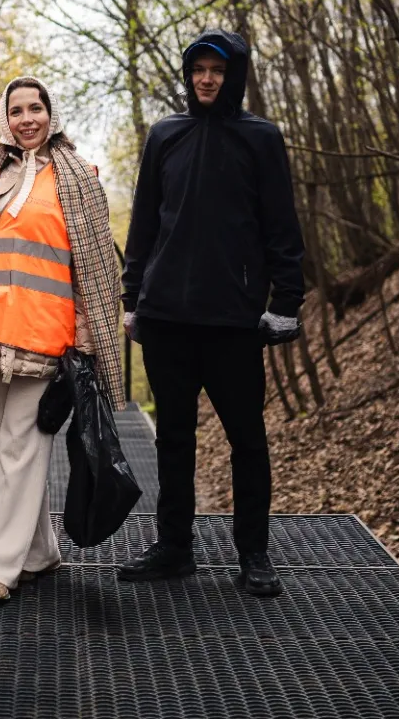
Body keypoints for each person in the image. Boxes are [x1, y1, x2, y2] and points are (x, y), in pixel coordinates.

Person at [118, 30, 305, 597]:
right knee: (172, 440)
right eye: (197, 69)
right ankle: (174, 548)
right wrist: (133, 299)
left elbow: (281, 227)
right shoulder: (165, 136)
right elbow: (145, 223)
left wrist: (285, 304)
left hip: (233, 323)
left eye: (217, 71)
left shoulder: (261, 138)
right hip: (168, 319)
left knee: (247, 440)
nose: (206, 79)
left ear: (234, 76)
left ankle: (254, 555)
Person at [0, 77, 124, 605]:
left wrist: (88, 341)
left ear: (52, 113)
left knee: (18, 451)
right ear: (6, 117)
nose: (28, 119)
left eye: (37, 108)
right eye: (18, 110)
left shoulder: (79, 179)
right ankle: (41, 551)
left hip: (47, 337)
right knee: (13, 449)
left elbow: (93, 269)